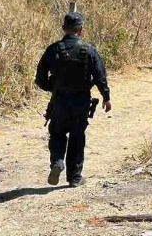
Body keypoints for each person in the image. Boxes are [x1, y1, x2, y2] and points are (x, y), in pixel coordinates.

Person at [35, 11, 112, 187]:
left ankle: (57, 163)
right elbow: (100, 76)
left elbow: (40, 78)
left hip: (59, 101)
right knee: (77, 138)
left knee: (57, 134)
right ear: (81, 30)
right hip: (81, 102)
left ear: (63, 29)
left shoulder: (53, 49)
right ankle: (75, 178)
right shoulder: (89, 50)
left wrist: (52, 88)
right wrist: (106, 97)